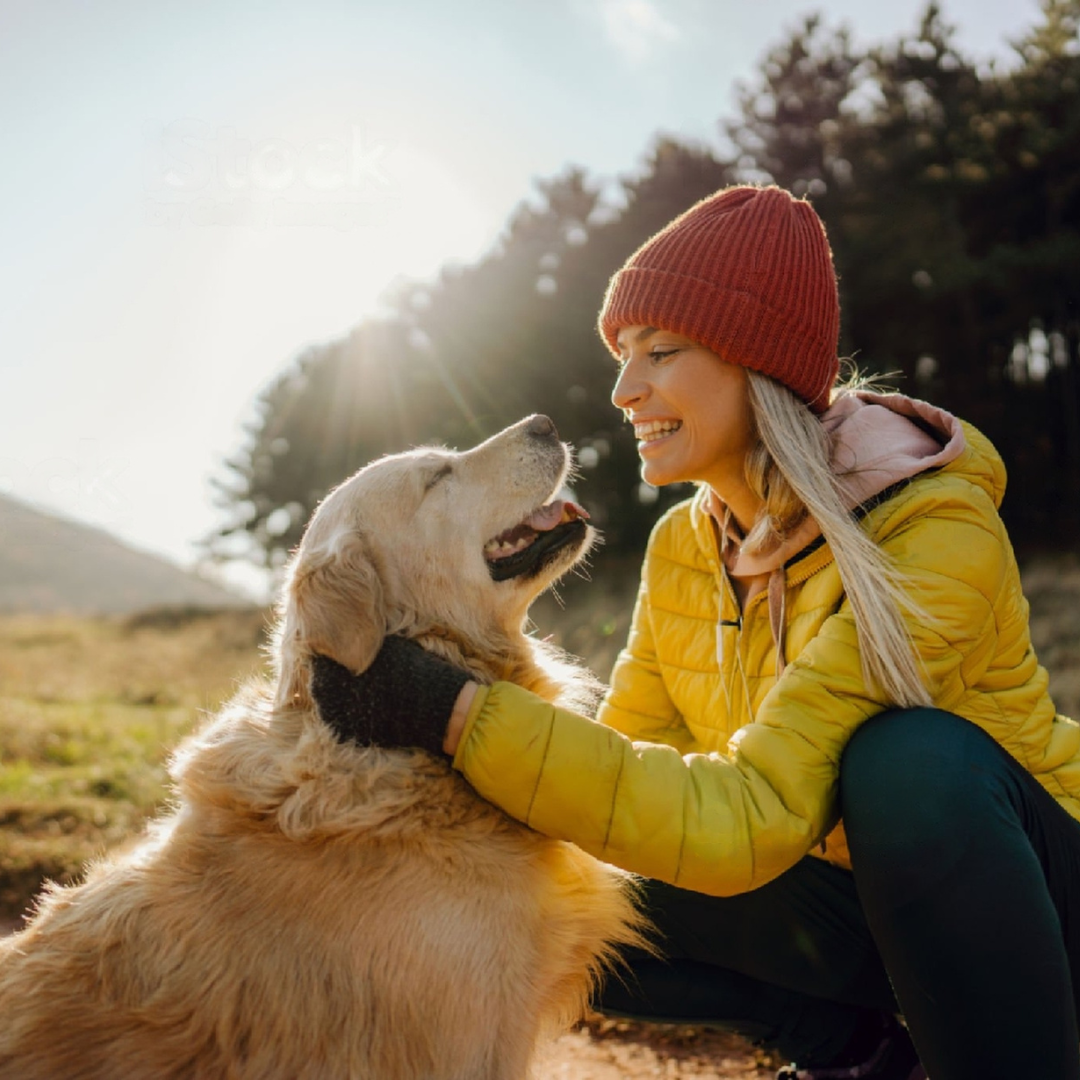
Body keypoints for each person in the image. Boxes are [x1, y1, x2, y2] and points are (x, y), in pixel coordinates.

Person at [311, 185, 1080, 1080]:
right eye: (622, 354)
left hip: (1040, 909)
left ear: (758, 366)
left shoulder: (930, 528)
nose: (623, 388)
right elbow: (617, 779)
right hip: (877, 912)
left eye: (660, 352)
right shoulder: (685, 544)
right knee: (561, 889)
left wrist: (453, 712)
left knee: (909, 762)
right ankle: (863, 1056)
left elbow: (748, 821)